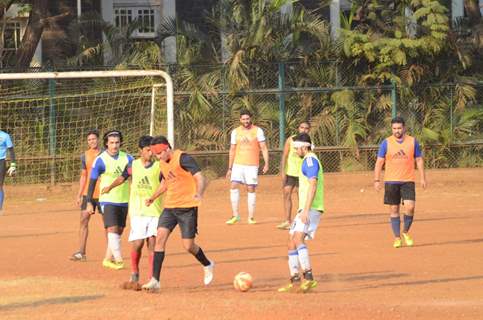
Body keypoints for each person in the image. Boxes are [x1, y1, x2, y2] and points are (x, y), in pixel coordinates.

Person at [142, 136, 214, 292]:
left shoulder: (183, 158)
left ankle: (207, 264)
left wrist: (199, 193)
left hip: (187, 208)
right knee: (159, 237)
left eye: (160, 153)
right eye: (156, 154)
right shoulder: (162, 163)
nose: (158, 157)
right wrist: (153, 197)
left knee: (188, 246)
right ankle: (155, 280)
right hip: (169, 207)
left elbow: (200, 177)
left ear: (167, 148)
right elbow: (165, 182)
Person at [102, 136, 164, 289]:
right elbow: (123, 178)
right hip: (137, 211)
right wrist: (110, 187)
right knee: (138, 243)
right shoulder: (133, 165)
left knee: (152, 242)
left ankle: (152, 278)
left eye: (153, 150)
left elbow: (166, 182)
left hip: (155, 211)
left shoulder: (159, 166)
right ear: (140, 151)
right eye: (148, 150)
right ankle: (134, 273)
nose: (151, 153)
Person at [278, 133, 323, 293]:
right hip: (304, 208)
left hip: (310, 208)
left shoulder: (310, 161)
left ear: (305, 146)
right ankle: (295, 280)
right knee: (291, 241)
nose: (296, 151)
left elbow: (313, 185)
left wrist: (305, 210)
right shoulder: (306, 160)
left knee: (297, 239)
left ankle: (309, 277)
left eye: (297, 148)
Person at [374, 116, 427, 248]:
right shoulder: (386, 143)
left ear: (404, 128)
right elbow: (379, 162)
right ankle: (397, 237)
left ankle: (405, 232)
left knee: (410, 207)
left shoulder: (412, 141)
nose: (397, 130)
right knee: (394, 209)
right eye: (394, 128)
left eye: (399, 128)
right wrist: (376, 180)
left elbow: (419, 160)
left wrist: (422, 177)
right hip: (391, 181)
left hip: (408, 180)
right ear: (391, 129)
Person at [86, 130, 133, 269]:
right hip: (107, 199)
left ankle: (107, 259)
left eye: (117, 142)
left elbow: (133, 175)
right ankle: (119, 259)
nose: (114, 145)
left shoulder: (128, 158)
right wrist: (89, 201)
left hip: (123, 199)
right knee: (112, 228)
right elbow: (92, 181)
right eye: (111, 143)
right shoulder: (100, 160)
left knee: (119, 230)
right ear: (106, 143)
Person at [225, 109, 269, 225]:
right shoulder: (235, 132)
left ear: (251, 119)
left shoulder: (258, 131)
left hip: (252, 165)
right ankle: (235, 215)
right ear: (240, 120)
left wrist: (266, 163)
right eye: (243, 119)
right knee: (233, 185)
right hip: (238, 164)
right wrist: (230, 168)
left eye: (247, 119)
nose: (245, 121)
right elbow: (232, 150)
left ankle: (251, 217)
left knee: (250, 188)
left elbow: (263, 148)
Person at [70, 130, 103, 261]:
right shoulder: (84, 156)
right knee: (83, 220)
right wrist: (79, 194)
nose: (92, 142)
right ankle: (81, 253)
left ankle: (111, 253)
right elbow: (83, 176)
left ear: (98, 140)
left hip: (102, 193)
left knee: (108, 224)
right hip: (88, 194)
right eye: (89, 140)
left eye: (94, 139)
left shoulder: (105, 154)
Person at [277, 121, 311, 230]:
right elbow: (284, 156)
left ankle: (302, 220)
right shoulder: (290, 140)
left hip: (302, 173)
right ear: (298, 128)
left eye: (306, 128)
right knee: (286, 193)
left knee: (301, 196)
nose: (304, 130)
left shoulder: (309, 142)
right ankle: (287, 221)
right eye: (302, 127)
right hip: (290, 172)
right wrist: (282, 171)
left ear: (309, 130)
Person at [0, 129, 16, 215]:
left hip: (1, 162)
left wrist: (13, 165)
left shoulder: (5, 136)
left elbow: (11, 150)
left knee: (0, 185)